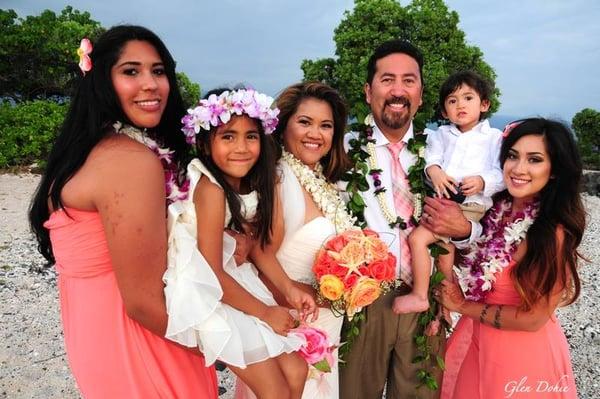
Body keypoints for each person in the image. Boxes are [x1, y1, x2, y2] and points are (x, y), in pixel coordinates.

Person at [28, 25, 218, 398]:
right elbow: (144, 303)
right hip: (143, 343)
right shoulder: (130, 161)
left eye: (158, 71)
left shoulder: (83, 152)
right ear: (101, 80)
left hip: (93, 336)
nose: (150, 84)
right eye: (131, 71)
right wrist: (224, 347)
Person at [338, 39, 476, 399]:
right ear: (369, 91)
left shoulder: (444, 152)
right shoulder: (341, 151)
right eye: (387, 79)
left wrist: (464, 231)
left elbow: (483, 223)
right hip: (361, 304)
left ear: (420, 93)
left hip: (426, 301)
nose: (398, 90)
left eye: (409, 80)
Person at [164, 87, 319, 399]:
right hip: (206, 290)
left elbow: (258, 246)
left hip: (231, 278)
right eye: (228, 136)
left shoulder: (246, 183)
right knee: (274, 390)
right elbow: (210, 273)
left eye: (251, 136)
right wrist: (265, 312)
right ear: (205, 145)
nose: (242, 147)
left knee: (297, 370)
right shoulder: (212, 189)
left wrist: (288, 288)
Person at [438, 118, 583, 399]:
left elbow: (533, 319)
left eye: (535, 160)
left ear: (554, 171)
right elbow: (476, 264)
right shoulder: (493, 211)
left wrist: (460, 305)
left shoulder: (552, 233)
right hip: (474, 341)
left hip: (522, 357)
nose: (518, 169)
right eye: (513, 156)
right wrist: (459, 232)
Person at [236, 82, 353, 399]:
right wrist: (326, 296)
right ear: (283, 125)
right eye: (305, 122)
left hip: (325, 327)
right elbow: (259, 266)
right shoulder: (280, 179)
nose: (316, 133)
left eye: (326, 125)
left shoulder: (319, 181)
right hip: (295, 329)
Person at [396, 70, 505, 314]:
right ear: (444, 111)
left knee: (418, 239)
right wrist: (434, 170)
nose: (460, 106)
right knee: (444, 256)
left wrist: (482, 181)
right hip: (443, 201)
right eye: (452, 101)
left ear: (484, 104)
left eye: (468, 98)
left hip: (471, 207)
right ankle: (444, 304)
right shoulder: (442, 134)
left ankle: (421, 295)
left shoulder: (493, 138)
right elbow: (431, 158)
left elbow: (501, 173)